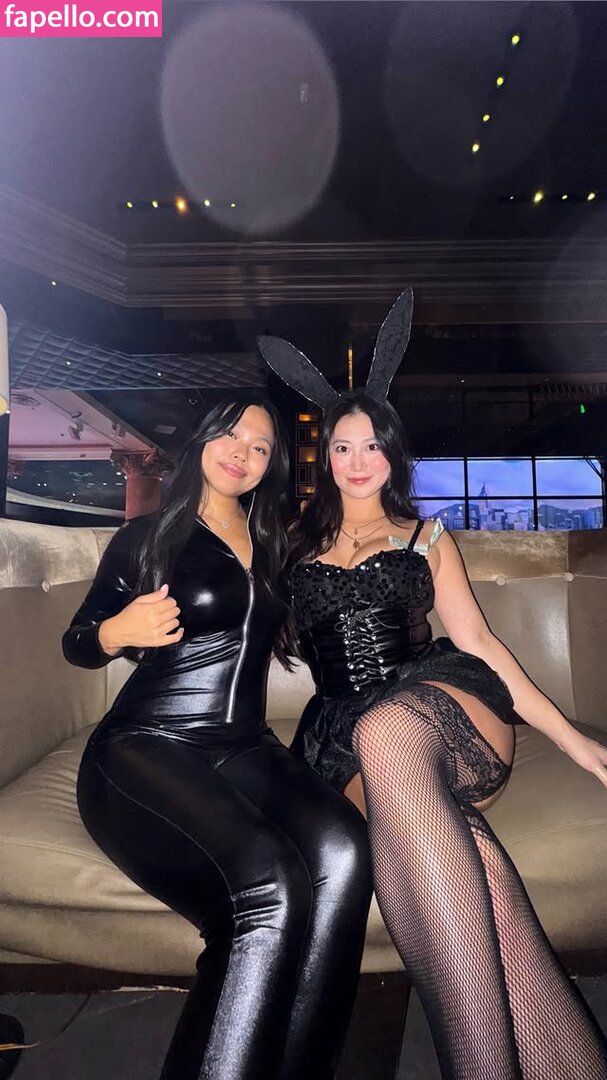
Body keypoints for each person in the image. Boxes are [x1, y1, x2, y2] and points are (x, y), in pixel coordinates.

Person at [258, 293, 607, 1080]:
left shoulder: (426, 536)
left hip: (442, 704)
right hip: (342, 736)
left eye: (371, 446)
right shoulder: (290, 545)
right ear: (322, 456)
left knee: (388, 727)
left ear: (392, 454)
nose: (356, 461)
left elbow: (480, 643)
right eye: (341, 446)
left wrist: (573, 742)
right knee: (477, 873)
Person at [62, 397, 372, 1080]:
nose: (243, 453)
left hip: (242, 747)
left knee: (345, 848)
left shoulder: (278, 543)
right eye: (231, 435)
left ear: (272, 466)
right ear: (202, 440)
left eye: (261, 447)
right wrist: (115, 632)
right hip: (145, 745)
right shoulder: (148, 538)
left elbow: (352, 546)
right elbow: (78, 641)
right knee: (268, 882)